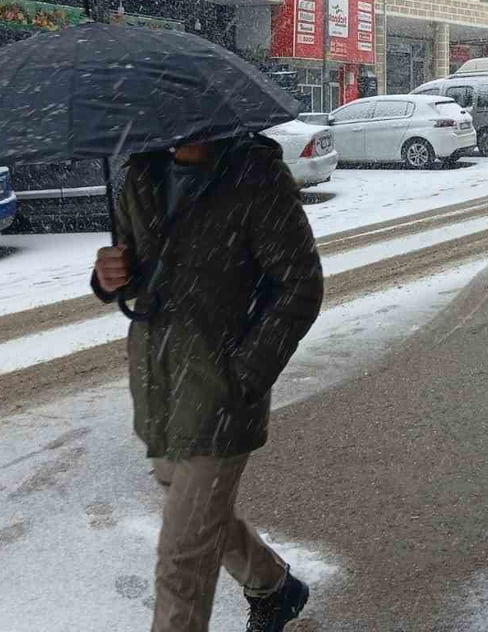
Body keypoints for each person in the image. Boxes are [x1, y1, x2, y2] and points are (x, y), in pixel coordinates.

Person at [92, 134, 324, 632]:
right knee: (193, 511)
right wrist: (109, 277)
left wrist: (243, 376)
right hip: (160, 386)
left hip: (221, 392)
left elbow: (300, 283)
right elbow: (140, 279)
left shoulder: (253, 177)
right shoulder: (141, 175)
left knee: (181, 557)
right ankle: (274, 586)